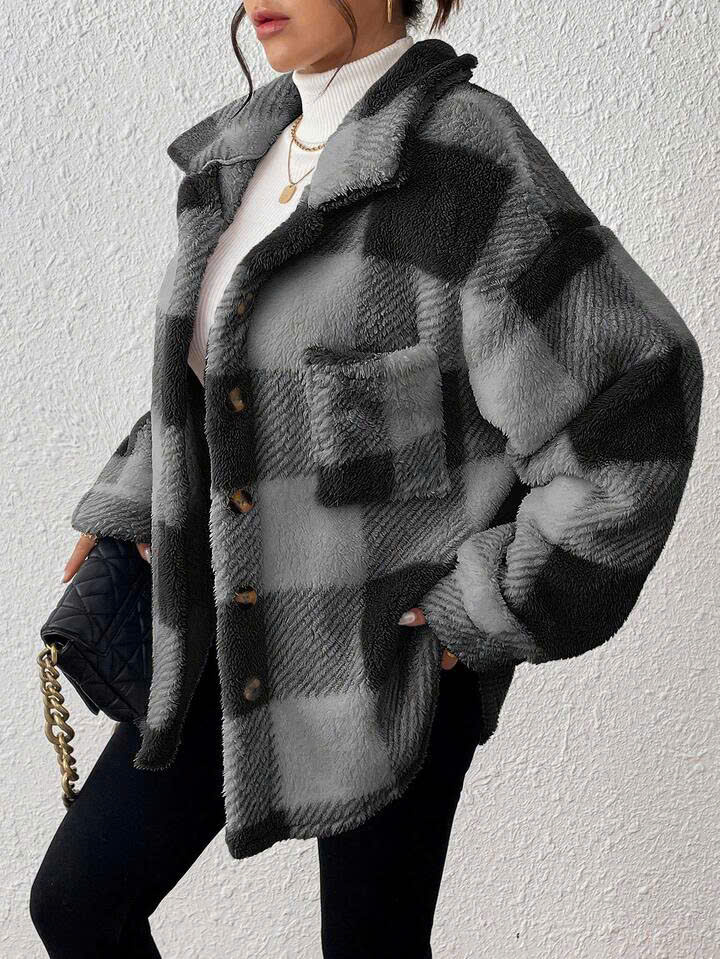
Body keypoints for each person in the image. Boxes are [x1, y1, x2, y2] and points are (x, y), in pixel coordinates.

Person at [30, 1, 703, 956]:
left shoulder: (462, 156)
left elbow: (637, 386)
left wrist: (498, 600)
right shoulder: (243, 155)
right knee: (77, 901)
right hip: (224, 614)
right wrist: (136, 499)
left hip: (391, 654)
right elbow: (227, 379)